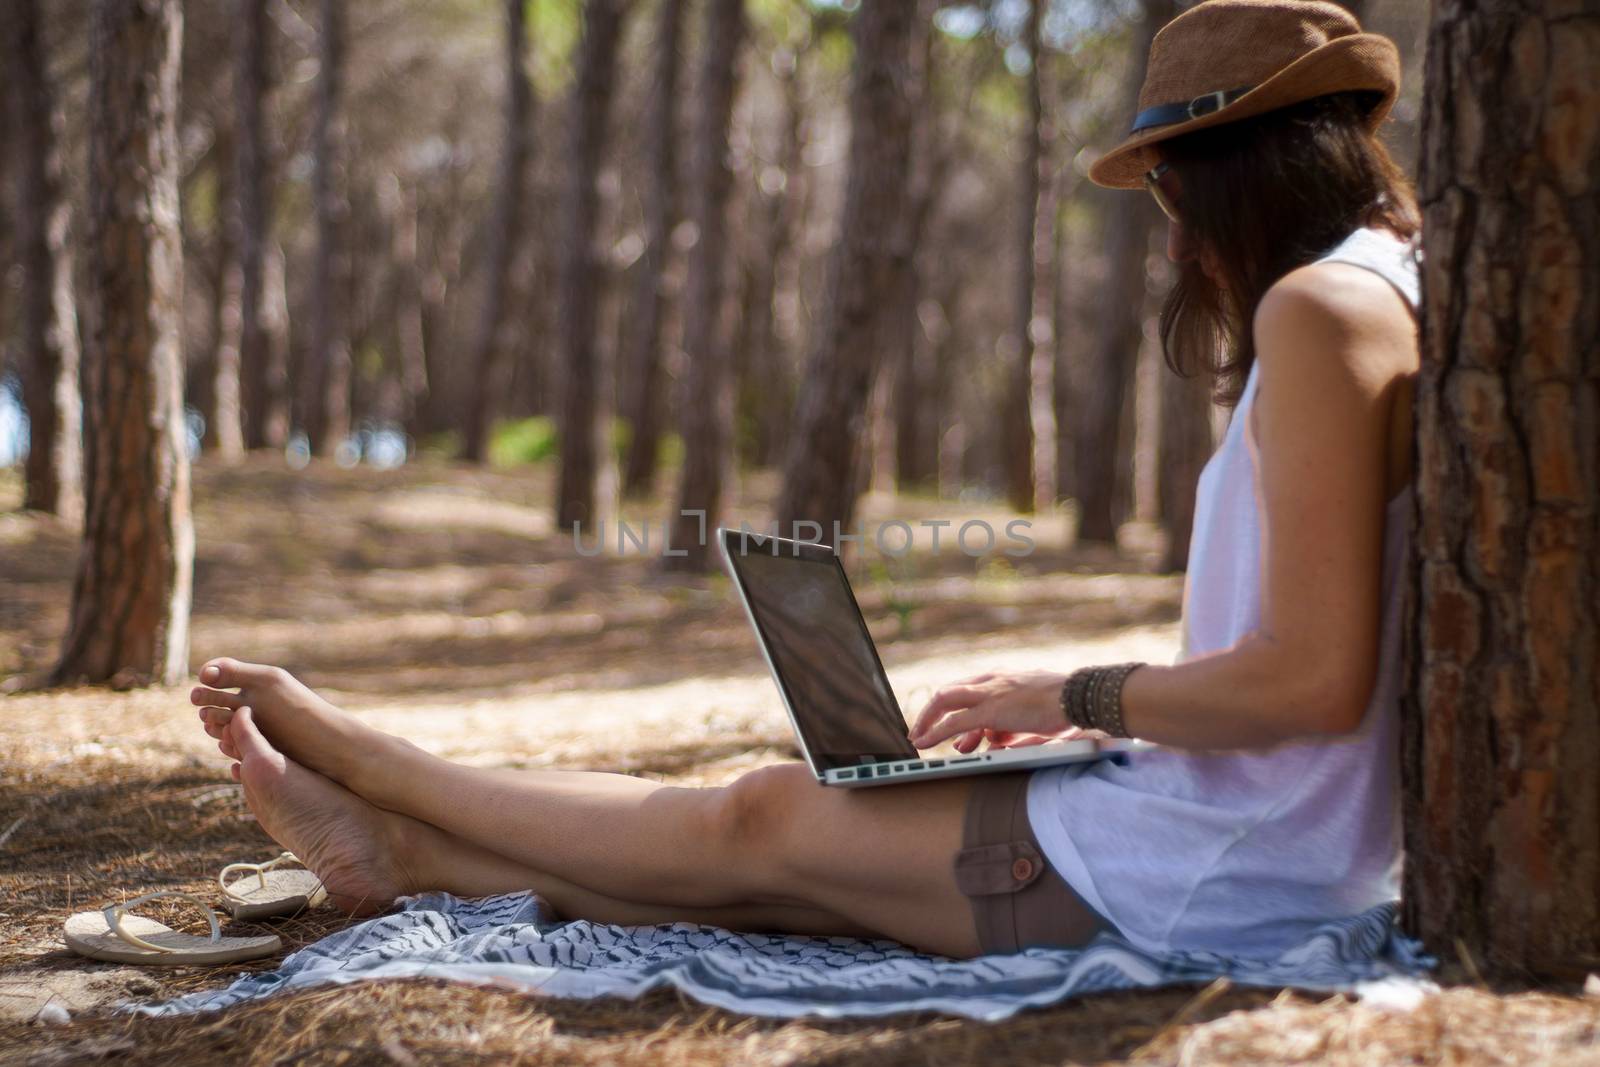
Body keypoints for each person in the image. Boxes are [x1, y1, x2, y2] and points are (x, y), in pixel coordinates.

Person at [193, 0, 1421, 960]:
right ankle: (399, 845)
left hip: (1211, 868)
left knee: (762, 821)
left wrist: (1076, 686)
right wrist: (1080, 713)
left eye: (1165, 183)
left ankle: (375, 763)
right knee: (766, 853)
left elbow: (1311, 681)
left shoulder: (1322, 308)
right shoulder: (1384, 290)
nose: (1168, 232)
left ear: (1229, 164)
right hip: (1235, 835)